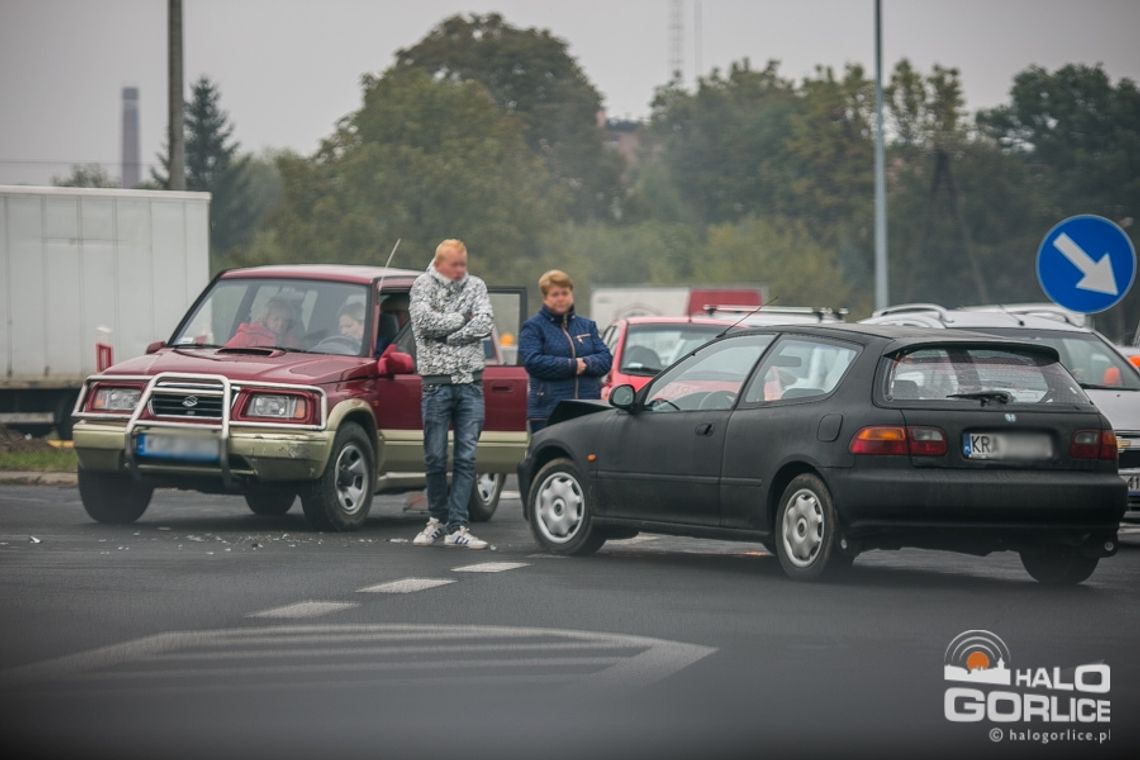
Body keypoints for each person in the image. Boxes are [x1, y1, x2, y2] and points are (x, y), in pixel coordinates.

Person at [408, 239, 495, 549]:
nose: (461, 270)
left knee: (466, 456)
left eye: (464, 264)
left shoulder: (476, 286)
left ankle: (458, 525)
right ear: (440, 263)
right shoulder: (422, 285)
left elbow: (485, 322)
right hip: (436, 382)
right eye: (455, 264)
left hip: (471, 381)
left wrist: (448, 335)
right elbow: (423, 322)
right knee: (434, 456)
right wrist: (461, 320)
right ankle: (437, 519)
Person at [518, 270, 612, 433]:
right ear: (545, 298)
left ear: (571, 294)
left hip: (588, 408)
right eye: (555, 294)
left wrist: (586, 364)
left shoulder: (587, 326)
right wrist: (572, 366)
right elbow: (533, 362)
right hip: (549, 412)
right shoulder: (533, 327)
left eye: (564, 293)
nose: (561, 298)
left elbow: (605, 359)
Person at [225, 297, 297, 349]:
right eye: (276, 319)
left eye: (285, 320)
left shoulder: (292, 340)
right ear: (266, 318)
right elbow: (225, 355)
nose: (281, 324)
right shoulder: (249, 335)